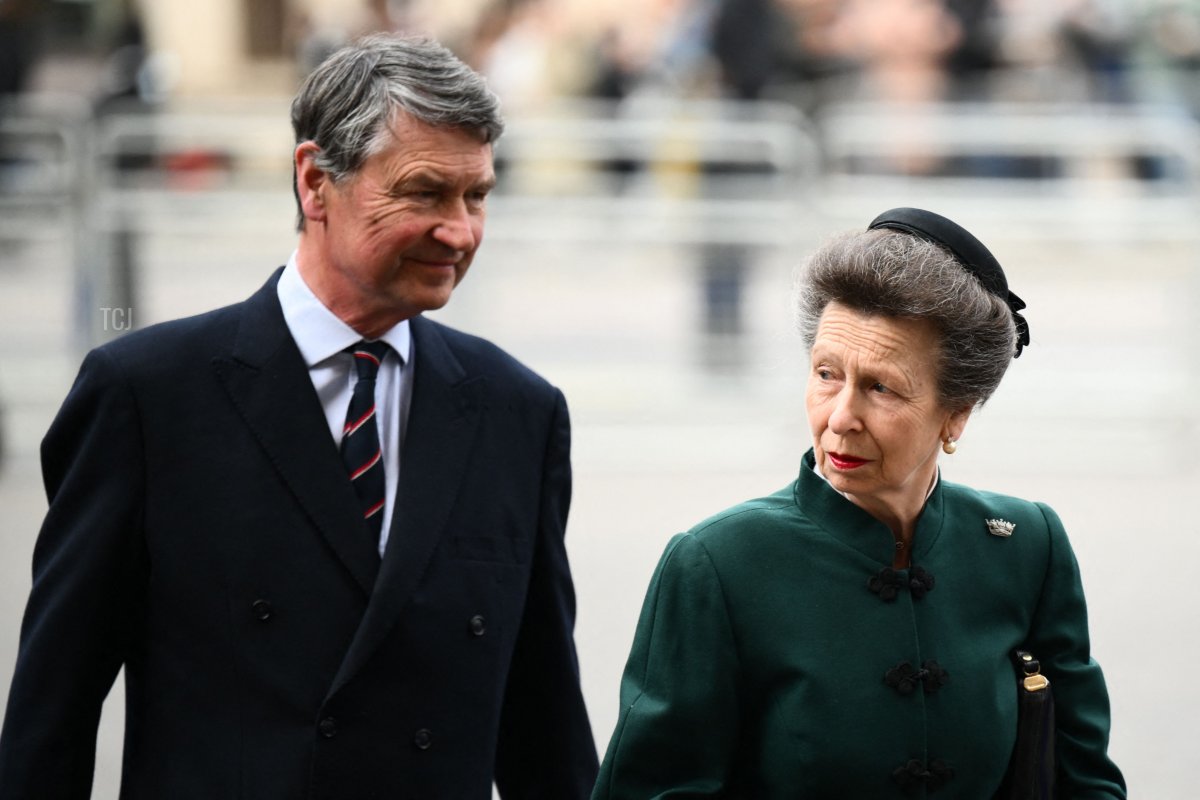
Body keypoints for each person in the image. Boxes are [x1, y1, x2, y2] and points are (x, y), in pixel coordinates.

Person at [0, 34, 598, 798]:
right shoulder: (147, 396)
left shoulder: (519, 411)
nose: (459, 232)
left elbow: (544, 726)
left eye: (475, 196)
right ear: (316, 183)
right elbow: (53, 711)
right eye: (423, 193)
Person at [591, 208, 1126, 798]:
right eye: (826, 374)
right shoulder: (718, 562)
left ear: (957, 414)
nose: (840, 417)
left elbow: (1084, 777)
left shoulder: (1026, 544)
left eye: (881, 387)